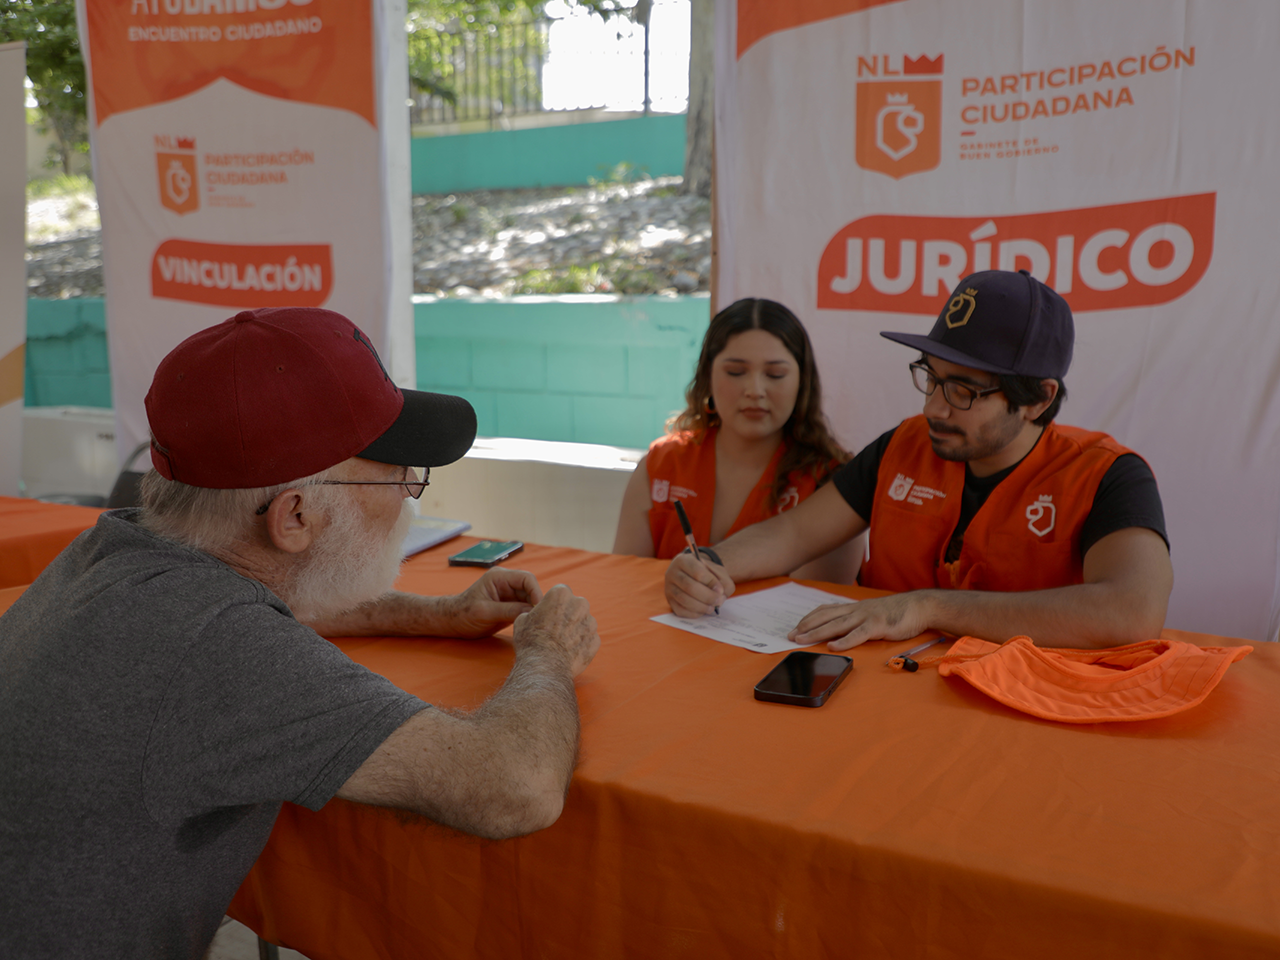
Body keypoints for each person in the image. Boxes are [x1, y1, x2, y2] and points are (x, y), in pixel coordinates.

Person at [0, 307, 600, 960]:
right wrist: (548, 651)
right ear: (295, 516)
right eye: (399, 473)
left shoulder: (115, 553)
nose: (409, 491)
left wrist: (438, 615)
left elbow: (245, 615)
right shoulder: (221, 648)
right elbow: (515, 787)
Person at [664, 270, 1173, 650]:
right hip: (878, 697)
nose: (933, 407)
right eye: (930, 377)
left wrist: (928, 606)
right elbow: (794, 533)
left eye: (963, 390)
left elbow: (1132, 611)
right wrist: (708, 565)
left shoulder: (1106, 475)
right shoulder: (905, 445)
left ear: (1038, 399)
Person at [613, 297, 856, 583]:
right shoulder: (662, 465)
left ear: (802, 382)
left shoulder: (832, 481)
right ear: (707, 376)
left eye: (775, 374)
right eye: (736, 372)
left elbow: (815, 603)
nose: (755, 390)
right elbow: (625, 585)